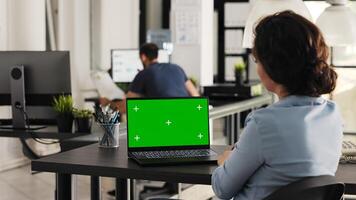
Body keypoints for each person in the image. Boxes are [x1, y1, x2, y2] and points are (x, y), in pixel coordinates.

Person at [212, 11, 343, 200]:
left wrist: (225, 161)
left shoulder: (263, 124)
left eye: (257, 60)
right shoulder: (332, 114)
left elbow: (222, 189)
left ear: (273, 67)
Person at [126, 43, 199, 98]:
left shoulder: (143, 74)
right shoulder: (177, 68)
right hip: (185, 113)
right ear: (157, 56)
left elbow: (127, 104)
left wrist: (114, 104)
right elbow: (195, 95)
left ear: (143, 57)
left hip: (160, 115)